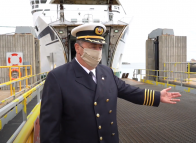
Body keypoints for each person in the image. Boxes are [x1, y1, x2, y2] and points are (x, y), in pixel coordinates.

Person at [40, 23, 181, 143]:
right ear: (77, 48)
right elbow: (49, 126)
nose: (97, 51)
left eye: (100, 47)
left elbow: (128, 91)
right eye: (92, 47)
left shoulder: (106, 72)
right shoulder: (58, 77)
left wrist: (158, 96)